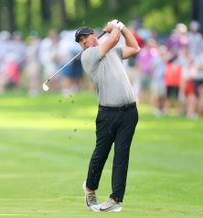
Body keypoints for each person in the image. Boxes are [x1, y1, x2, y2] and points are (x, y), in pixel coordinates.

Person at [75, 19, 140, 212]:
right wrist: (115, 28)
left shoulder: (113, 52)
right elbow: (112, 40)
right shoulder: (88, 56)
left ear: (94, 35)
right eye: (80, 41)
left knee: (122, 156)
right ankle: (89, 187)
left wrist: (122, 28)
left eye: (85, 37)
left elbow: (135, 48)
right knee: (101, 154)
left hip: (129, 112)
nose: (83, 41)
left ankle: (115, 199)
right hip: (108, 114)